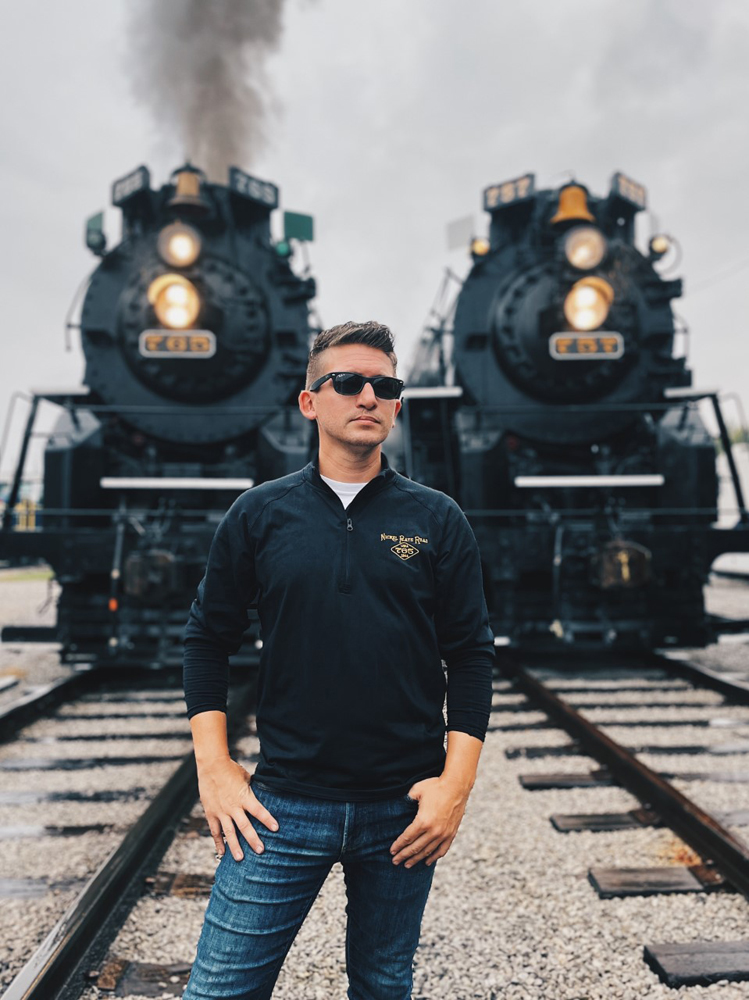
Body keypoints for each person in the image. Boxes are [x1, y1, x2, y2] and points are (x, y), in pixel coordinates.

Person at [182, 321, 495, 1000]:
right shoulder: (259, 515)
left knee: (383, 984)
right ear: (308, 402)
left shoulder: (437, 519)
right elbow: (208, 638)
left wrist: (454, 786)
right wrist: (214, 767)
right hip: (282, 807)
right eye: (347, 382)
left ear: (396, 403)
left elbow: (470, 654)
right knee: (219, 989)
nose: (367, 397)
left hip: (402, 811)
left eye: (384, 386)